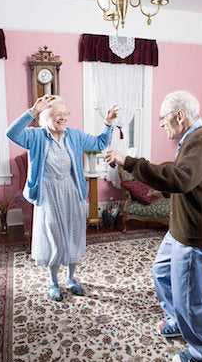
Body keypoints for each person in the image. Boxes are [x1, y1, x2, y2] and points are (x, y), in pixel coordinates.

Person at [106, 90, 202, 362]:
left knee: (189, 295)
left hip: (194, 232)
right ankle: (177, 321)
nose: (161, 124)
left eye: (163, 119)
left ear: (180, 116)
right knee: (160, 272)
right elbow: (191, 180)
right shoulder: (193, 139)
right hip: (180, 227)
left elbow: (181, 178)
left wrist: (129, 162)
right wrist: (166, 194)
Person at [7, 94, 118, 301]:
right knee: (55, 235)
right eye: (58, 114)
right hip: (48, 191)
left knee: (74, 234)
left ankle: (71, 278)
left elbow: (100, 142)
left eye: (65, 114)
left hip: (71, 190)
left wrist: (108, 122)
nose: (63, 117)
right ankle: (52, 281)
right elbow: (11, 133)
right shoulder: (36, 136)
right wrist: (32, 110)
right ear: (46, 116)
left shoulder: (74, 136)